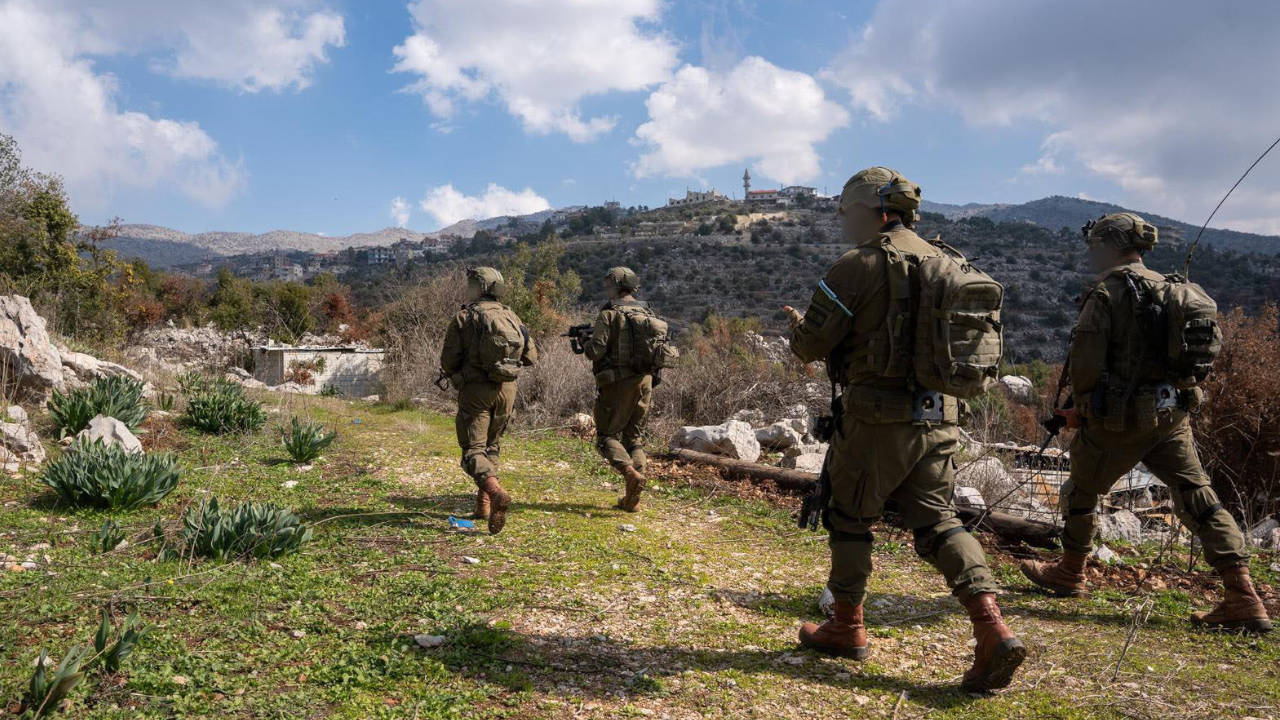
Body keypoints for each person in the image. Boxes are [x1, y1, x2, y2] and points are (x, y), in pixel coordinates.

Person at [784, 166, 1024, 692]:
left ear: (870, 210)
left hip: (876, 419)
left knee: (849, 517)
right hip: (941, 416)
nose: (846, 224)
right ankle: (992, 626)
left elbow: (811, 346)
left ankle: (846, 626)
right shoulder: (950, 261)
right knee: (939, 521)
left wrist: (796, 325)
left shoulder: (858, 264)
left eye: (848, 213)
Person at [1020, 213, 1271, 634]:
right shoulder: (1173, 289)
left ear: (1108, 246)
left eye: (1095, 245)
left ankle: (1070, 571)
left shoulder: (1108, 293)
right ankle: (1242, 594)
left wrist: (1078, 411)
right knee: (1198, 496)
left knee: (1080, 492)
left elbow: (1085, 365)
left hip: (1118, 422)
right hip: (1171, 417)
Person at [439, 266, 537, 535]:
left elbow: (448, 361)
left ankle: (495, 494)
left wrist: (461, 373)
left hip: (476, 390)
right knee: (491, 445)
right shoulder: (512, 316)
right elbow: (531, 357)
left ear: (479, 287)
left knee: (473, 451)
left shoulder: (464, 317)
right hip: (507, 391)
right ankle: (483, 507)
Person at [579, 266, 674, 512]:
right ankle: (632, 495)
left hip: (617, 383)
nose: (605, 287)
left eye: (608, 283)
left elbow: (595, 352)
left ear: (616, 285)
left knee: (606, 437)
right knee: (634, 439)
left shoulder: (609, 314)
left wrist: (583, 343)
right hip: (645, 381)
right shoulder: (646, 311)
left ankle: (629, 472)